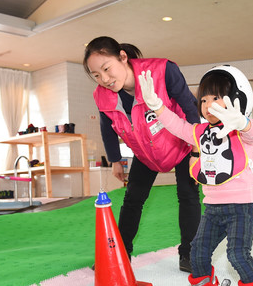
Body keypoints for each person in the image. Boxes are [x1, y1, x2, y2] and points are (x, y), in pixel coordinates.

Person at [138, 65, 253, 286]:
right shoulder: (201, 133)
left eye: (217, 98)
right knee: (197, 254)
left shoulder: (240, 131)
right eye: (203, 99)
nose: (208, 105)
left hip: (241, 205)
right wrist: (157, 106)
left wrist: (243, 122)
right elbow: (177, 126)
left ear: (236, 99)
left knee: (237, 255)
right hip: (212, 206)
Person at [83, 36, 201, 273]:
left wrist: (197, 149)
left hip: (180, 143)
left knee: (187, 195)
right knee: (132, 200)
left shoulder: (163, 71)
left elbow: (190, 106)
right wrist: (115, 159)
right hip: (146, 151)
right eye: (96, 75)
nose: (104, 79)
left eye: (107, 69)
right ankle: (120, 254)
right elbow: (107, 127)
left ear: (123, 57)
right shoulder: (102, 95)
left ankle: (189, 254)